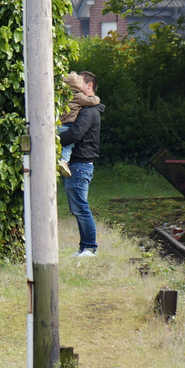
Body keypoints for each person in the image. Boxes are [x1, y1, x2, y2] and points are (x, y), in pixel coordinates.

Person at [58, 70, 103, 257]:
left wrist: (51, 140)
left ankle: (90, 248)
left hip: (80, 164)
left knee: (80, 207)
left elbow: (75, 134)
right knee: (77, 207)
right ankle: (84, 247)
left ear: (89, 86)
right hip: (76, 164)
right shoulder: (83, 108)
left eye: (79, 83)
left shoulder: (89, 110)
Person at [56, 72, 98, 179]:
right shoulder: (79, 97)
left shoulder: (63, 96)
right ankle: (63, 161)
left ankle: (58, 159)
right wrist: (97, 99)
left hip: (59, 125)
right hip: (68, 125)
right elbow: (74, 135)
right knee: (68, 146)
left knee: (62, 145)